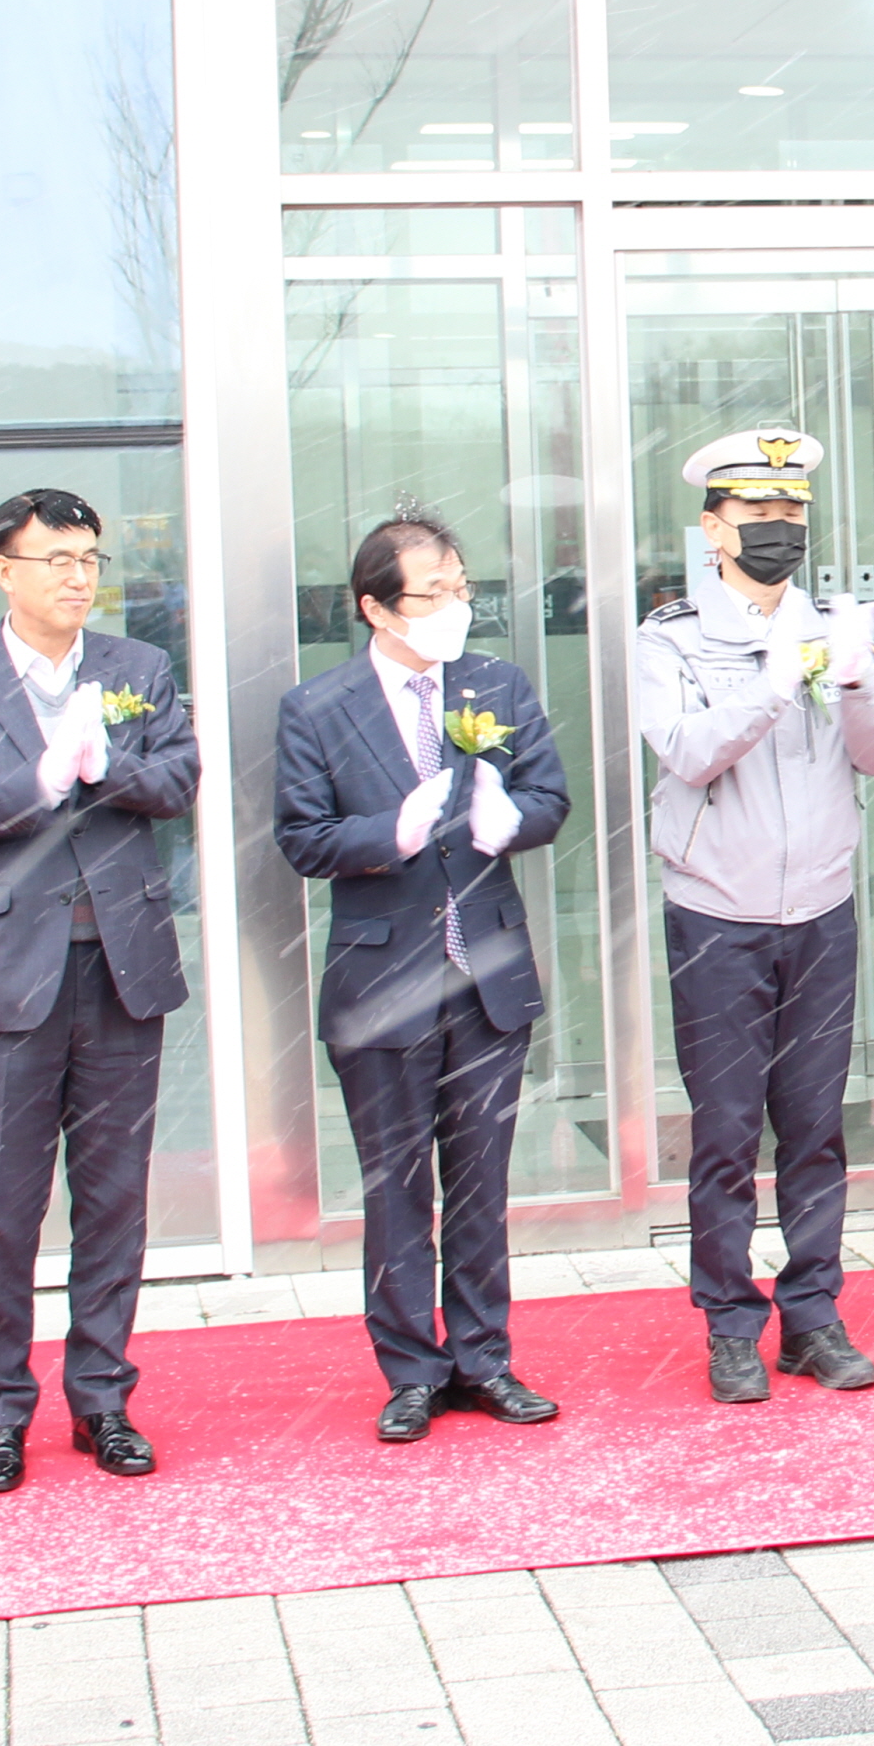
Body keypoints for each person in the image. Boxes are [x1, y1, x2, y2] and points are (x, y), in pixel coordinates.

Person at [0, 489, 200, 1495]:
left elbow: (179, 782)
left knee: (114, 1200)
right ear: (4, 570)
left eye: (89, 559)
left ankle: (102, 1398)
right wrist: (38, 777)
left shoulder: (137, 668)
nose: (79, 577)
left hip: (121, 967)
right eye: (57, 559)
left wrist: (106, 766)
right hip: (4, 979)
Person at [273, 512, 575, 1442]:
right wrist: (389, 834)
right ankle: (411, 1369)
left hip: (485, 970)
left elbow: (550, 796)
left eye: (460, 587)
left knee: (480, 1181)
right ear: (376, 607)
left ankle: (484, 1358)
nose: (454, 606)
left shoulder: (497, 683)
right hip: (382, 981)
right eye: (432, 592)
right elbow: (302, 837)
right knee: (396, 1185)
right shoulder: (317, 707)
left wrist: (509, 819)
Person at [635, 428, 874, 1404]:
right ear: (713, 527)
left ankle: (813, 1315)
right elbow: (687, 750)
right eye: (757, 511)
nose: (779, 527)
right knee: (724, 1132)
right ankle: (728, 1322)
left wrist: (855, 677)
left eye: (792, 510)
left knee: (814, 1127)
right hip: (718, 917)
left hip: (820, 913)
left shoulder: (831, 622)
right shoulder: (670, 637)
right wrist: (772, 681)